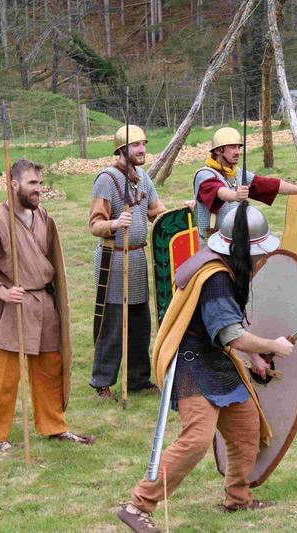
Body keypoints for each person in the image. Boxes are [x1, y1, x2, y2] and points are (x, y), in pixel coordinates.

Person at [117, 202, 293, 532]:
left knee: (246, 428)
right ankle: (137, 505)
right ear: (243, 252)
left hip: (216, 358)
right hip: (191, 362)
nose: (261, 262)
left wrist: (254, 357)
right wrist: (271, 346)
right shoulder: (215, 278)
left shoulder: (224, 268)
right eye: (258, 256)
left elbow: (228, 321)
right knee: (196, 439)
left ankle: (237, 498)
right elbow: (231, 335)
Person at [0, 159, 94, 450]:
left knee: (50, 368)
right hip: (16, 303)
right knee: (6, 375)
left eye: (40, 183)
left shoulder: (43, 216)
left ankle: (54, 426)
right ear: (13, 184)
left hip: (44, 303)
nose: (39, 190)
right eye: (32, 184)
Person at [89, 125, 167, 399]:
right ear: (122, 149)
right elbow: (95, 224)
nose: (143, 149)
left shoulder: (143, 178)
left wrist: (181, 213)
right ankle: (102, 381)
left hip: (136, 259)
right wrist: (114, 222)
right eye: (136, 145)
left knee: (139, 323)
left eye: (144, 144)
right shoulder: (106, 180)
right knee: (112, 325)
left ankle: (137, 378)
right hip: (113, 259)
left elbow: (156, 212)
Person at [193, 126, 297, 246]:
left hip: (236, 240)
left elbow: (269, 185)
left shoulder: (237, 172)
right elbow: (219, 191)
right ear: (218, 150)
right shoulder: (205, 175)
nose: (237, 152)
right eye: (232, 147)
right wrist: (235, 195)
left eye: (239, 147)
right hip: (211, 245)